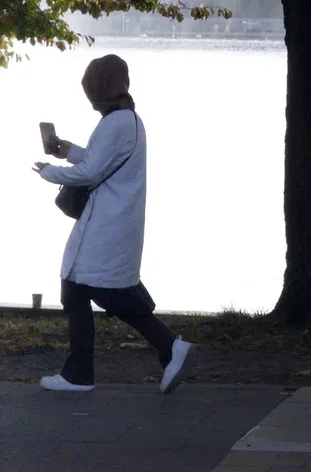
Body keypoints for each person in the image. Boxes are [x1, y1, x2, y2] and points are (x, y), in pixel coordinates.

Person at [33, 54, 195, 394]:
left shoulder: (114, 123)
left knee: (98, 291)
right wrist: (69, 151)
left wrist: (50, 173)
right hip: (114, 221)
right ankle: (159, 349)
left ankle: (87, 373)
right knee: (89, 289)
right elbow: (101, 160)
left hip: (106, 223)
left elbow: (91, 172)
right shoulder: (128, 120)